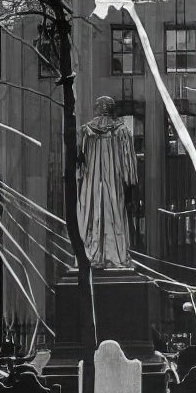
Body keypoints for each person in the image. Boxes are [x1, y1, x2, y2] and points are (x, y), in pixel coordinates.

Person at [77, 95, 140, 269]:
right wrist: (130, 191)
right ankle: (114, 254)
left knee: (92, 213)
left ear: (96, 108)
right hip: (114, 185)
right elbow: (129, 168)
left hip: (92, 185)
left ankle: (92, 253)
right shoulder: (122, 132)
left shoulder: (85, 132)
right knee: (114, 213)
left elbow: (77, 168)